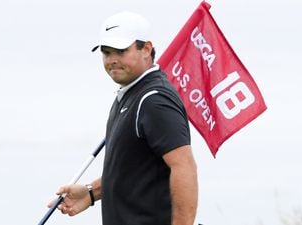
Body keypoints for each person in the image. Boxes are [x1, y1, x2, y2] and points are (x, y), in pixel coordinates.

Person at [48, 11, 198, 225]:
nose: (112, 60)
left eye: (120, 51)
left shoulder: (154, 100)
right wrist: (91, 192)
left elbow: (184, 167)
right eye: (107, 53)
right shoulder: (129, 95)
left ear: (146, 48)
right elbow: (135, 171)